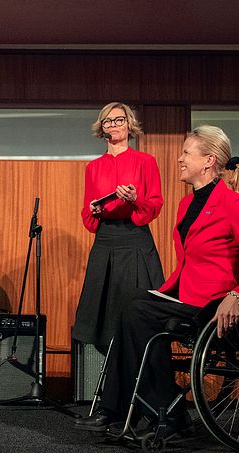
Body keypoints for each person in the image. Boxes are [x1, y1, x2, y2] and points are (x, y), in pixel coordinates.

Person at [75, 125, 239, 433]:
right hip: (182, 296)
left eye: (186, 152)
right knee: (130, 303)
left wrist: (237, 295)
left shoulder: (233, 204)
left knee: (137, 311)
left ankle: (160, 410)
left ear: (209, 160)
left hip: (211, 303)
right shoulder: (187, 204)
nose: (180, 159)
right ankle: (124, 407)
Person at [72, 102, 165, 354]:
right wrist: (93, 210)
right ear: (102, 128)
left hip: (135, 238)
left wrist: (134, 199)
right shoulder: (93, 167)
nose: (114, 125)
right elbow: (86, 214)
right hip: (106, 239)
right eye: (108, 121)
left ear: (129, 124)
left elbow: (155, 203)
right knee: (104, 317)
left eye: (119, 120)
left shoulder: (146, 161)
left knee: (137, 311)